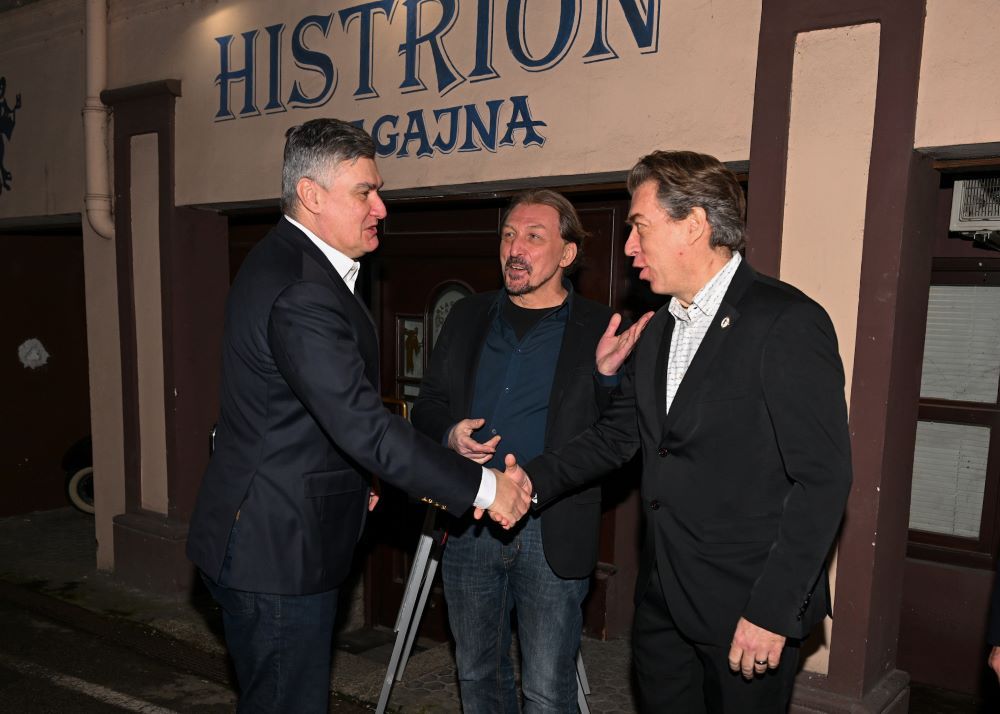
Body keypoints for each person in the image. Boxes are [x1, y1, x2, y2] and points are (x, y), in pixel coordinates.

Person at [185, 118, 532, 714]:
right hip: (277, 550)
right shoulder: (301, 287)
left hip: (274, 532)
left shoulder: (295, 263)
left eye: (378, 190)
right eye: (364, 192)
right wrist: (484, 487)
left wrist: (358, 474)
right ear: (311, 195)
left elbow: (293, 410)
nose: (381, 208)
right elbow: (362, 424)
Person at [515, 150, 853, 712]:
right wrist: (526, 482)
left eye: (640, 227)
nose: (628, 247)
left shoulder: (786, 321)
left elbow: (823, 480)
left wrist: (773, 611)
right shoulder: (657, 330)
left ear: (693, 225)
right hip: (663, 602)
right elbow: (620, 437)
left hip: (748, 610)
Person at [412, 189, 651, 713]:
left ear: (567, 253)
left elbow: (618, 435)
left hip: (552, 529)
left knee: (546, 689)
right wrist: (450, 434)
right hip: (471, 519)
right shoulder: (468, 315)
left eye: (534, 237)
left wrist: (608, 379)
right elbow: (426, 404)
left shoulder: (601, 327)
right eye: (508, 236)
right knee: (477, 675)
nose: (515, 250)